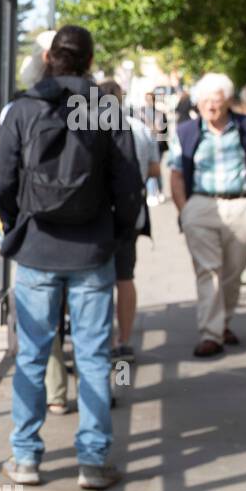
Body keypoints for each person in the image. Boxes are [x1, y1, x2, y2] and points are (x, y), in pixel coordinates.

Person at [0, 26, 143, 490]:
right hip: (92, 250)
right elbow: (128, 184)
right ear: (89, 60)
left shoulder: (24, 108)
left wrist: (18, 221)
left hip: (37, 248)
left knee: (33, 356)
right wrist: (115, 234)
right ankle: (93, 462)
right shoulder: (104, 109)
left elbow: (1, 181)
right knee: (95, 357)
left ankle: (25, 458)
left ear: (49, 59)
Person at [170, 73, 246, 357]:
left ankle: (222, 323)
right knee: (208, 272)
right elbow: (176, 174)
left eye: (215, 102)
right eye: (204, 102)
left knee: (232, 273)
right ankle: (211, 334)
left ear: (228, 101)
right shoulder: (187, 131)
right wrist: (185, 210)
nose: (209, 108)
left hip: (242, 206)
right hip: (202, 206)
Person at [99, 80, 159, 363]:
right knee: (125, 276)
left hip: (98, 219)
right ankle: (124, 340)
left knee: (97, 281)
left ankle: (106, 340)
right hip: (131, 214)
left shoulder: (89, 126)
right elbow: (155, 169)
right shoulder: (139, 128)